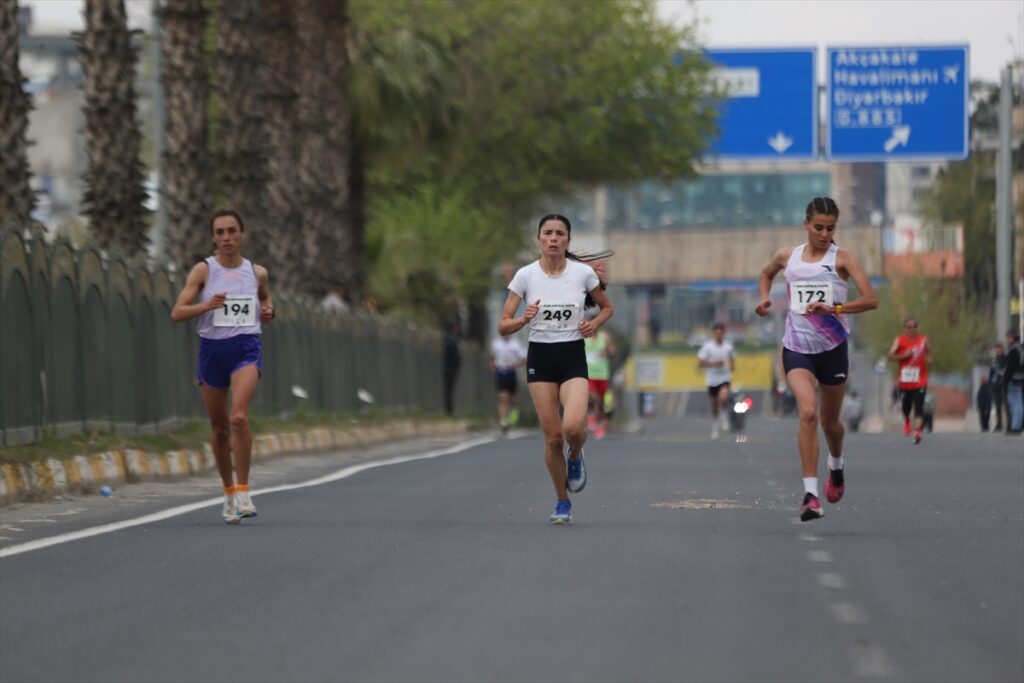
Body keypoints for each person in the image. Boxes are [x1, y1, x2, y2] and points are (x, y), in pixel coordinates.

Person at [755, 197, 877, 523]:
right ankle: (810, 495)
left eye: (831, 228)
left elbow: (870, 300)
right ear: (806, 224)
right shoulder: (788, 256)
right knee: (808, 412)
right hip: (796, 349)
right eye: (819, 227)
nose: (824, 235)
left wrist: (834, 308)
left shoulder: (843, 259)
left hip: (833, 349)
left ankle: (836, 465)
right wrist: (764, 299)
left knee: (830, 423)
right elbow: (766, 274)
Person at [499, 214, 613, 524]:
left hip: (572, 356)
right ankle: (562, 501)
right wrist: (524, 318)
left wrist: (593, 325)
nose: (553, 238)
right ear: (539, 239)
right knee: (552, 438)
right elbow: (503, 325)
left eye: (559, 233)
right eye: (547, 233)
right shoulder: (525, 276)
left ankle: (575, 456)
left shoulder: (582, 274)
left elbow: (607, 307)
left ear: (567, 240)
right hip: (540, 358)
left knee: (573, 428)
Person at [171, 209, 274, 524]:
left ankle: (244, 491)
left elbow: (265, 300)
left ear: (242, 233)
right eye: (220, 233)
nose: (226, 238)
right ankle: (229, 493)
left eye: (231, 231)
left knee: (238, 417)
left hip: (246, 348)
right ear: (213, 238)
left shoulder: (257, 273)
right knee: (219, 429)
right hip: (212, 351)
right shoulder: (203, 270)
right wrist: (207, 305)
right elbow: (177, 312)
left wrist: (269, 311)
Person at [888, 317, 931, 444]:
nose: (912, 329)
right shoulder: (900, 340)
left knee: (919, 406)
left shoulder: (923, 340)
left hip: (920, 379)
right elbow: (890, 356)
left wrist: (929, 359)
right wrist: (904, 356)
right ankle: (907, 420)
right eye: (909, 327)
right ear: (905, 328)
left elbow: (928, 352)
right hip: (905, 380)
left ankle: (917, 432)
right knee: (906, 406)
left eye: (914, 327)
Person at [697, 322, 736, 440]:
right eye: (716, 333)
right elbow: (701, 363)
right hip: (712, 380)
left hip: (724, 378)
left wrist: (731, 367)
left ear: (723, 333)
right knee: (714, 406)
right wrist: (714, 364)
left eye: (721, 333)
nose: (719, 335)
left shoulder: (728, 346)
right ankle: (715, 426)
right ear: (713, 333)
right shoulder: (707, 347)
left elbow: (732, 359)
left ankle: (724, 416)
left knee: (723, 397)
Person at [490, 333, 527, 433]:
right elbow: (492, 357)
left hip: (511, 373)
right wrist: (492, 366)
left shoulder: (515, 344)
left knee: (512, 399)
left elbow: (524, 359)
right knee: (502, 397)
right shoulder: (496, 344)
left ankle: (514, 411)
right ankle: (504, 422)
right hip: (500, 372)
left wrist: (514, 365)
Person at [585, 322, 616, 439]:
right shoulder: (584, 337)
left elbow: (613, 352)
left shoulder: (605, 337)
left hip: (602, 374)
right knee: (593, 397)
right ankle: (592, 417)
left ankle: (599, 423)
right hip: (589, 374)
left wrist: (606, 352)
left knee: (602, 402)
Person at [1003, 331, 1024, 435]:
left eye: (1009, 337)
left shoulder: (1014, 350)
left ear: (1013, 338)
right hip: (1021, 378)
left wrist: (1005, 382)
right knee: (1018, 402)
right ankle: (1017, 425)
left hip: (1014, 379)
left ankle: (1016, 426)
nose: (1007, 339)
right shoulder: (1021, 349)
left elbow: (1009, 368)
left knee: (1016, 403)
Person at [442, 320, 461, 416]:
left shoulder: (452, 338)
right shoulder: (449, 339)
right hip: (449, 367)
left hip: (452, 367)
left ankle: (450, 408)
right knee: (448, 388)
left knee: (450, 388)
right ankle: (448, 409)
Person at [990, 343, 1008, 432]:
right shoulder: (994, 360)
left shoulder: (1006, 359)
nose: (997, 350)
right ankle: (999, 424)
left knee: (1006, 406)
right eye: (996, 349)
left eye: (999, 349)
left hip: (1003, 385)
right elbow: (991, 372)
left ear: (1002, 349)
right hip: (995, 386)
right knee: (997, 406)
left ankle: (1010, 424)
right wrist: (990, 383)